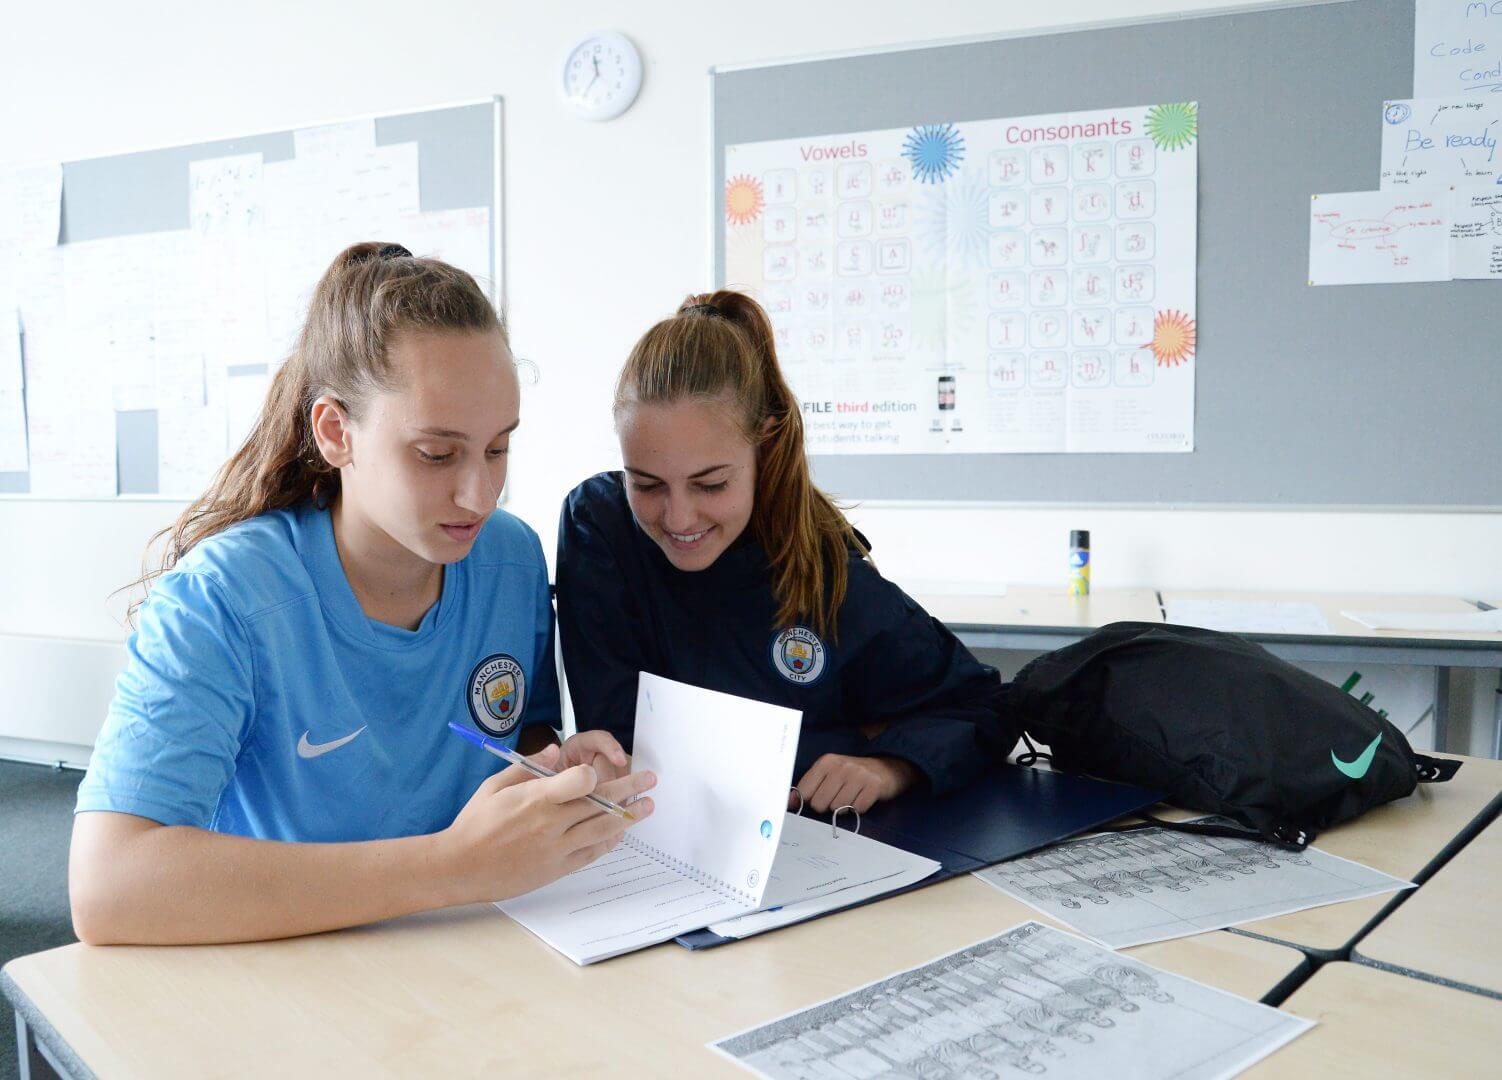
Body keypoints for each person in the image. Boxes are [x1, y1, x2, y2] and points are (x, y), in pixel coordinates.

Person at [70, 243, 654, 946]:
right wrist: (453, 866)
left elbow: (515, 734)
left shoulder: (510, 557)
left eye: (498, 448)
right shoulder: (222, 598)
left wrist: (554, 771)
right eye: (436, 455)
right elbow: (107, 888)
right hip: (287, 973)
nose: (480, 493)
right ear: (335, 432)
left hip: (468, 954)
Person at [556, 289, 1016, 817]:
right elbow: (618, 731)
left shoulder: (824, 572)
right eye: (647, 484)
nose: (679, 518)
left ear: (764, 447)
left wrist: (891, 765)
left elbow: (983, 707)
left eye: (711, 485)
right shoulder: (601, 526)